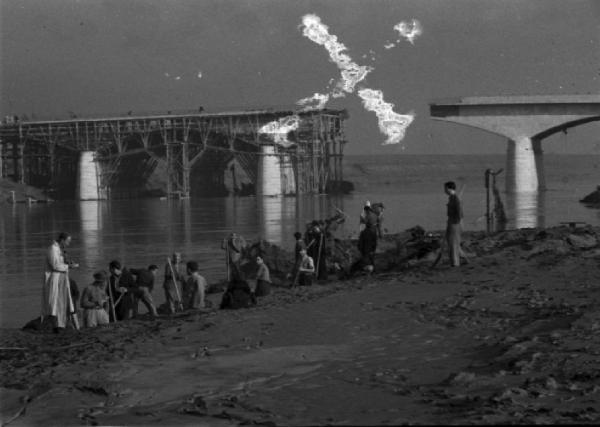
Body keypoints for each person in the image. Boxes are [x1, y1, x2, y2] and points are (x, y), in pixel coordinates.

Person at [41, 232, 79, 333]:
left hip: (62, 278)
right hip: (56, 279)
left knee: (63, 301)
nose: (68, 244)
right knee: (57, 302)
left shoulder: (60, 250)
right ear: (62, 240)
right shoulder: (53, 249)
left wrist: (68, 263)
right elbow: (55, 265)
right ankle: (57, 325)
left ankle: (62, 324)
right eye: (67, 242)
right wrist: (69, 266)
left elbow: (61, 263)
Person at [444, 181, 468, 267]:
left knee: (453, 243)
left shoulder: (455, 198)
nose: (444, 190)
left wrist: (456, 222)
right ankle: (463, 258)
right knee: (452, 242)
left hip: (455, 223)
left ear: (449, 188)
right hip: (452, 222)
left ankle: (455, 263)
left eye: (445, 188)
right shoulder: (451, 198)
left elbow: (459, 213)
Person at [358, 203, 379, 271]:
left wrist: (362, 219)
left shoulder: (368, 215)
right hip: (374, 231)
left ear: (366, 209)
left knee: (366, 251)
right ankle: (372, 265)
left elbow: (365, 222)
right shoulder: (374, 214)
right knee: (372, 249)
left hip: (369, 231)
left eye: (365, 210)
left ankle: (367, 266)